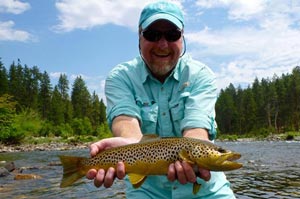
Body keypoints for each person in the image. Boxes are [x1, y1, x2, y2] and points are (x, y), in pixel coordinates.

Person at [86, 1, 236, 198]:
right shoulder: (121, 77)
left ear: (182, 38)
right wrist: (129, 145)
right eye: (152, 35)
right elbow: (125, 122)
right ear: (139, 37)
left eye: (172, 35)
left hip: (207, 191)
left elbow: (197, 130)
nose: (163, 44)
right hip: (146, 190)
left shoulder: (200, 75)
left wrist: (198, 158)